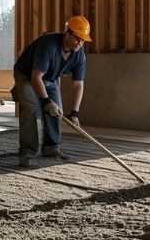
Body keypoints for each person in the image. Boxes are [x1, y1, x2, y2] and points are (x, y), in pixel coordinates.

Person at [12, 15, 91, 168]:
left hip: (50, 78)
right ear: (67, 33)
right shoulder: (48, 45)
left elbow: (78, 84)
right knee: (30, 108)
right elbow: (36, 78)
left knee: (57, 112)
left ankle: (51, 148)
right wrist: (46, 101)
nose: (81, 43)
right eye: (78, 38)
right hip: (27, 76)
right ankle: (27, 152)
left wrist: (75, 112)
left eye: (83, 40)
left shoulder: (79, 54)